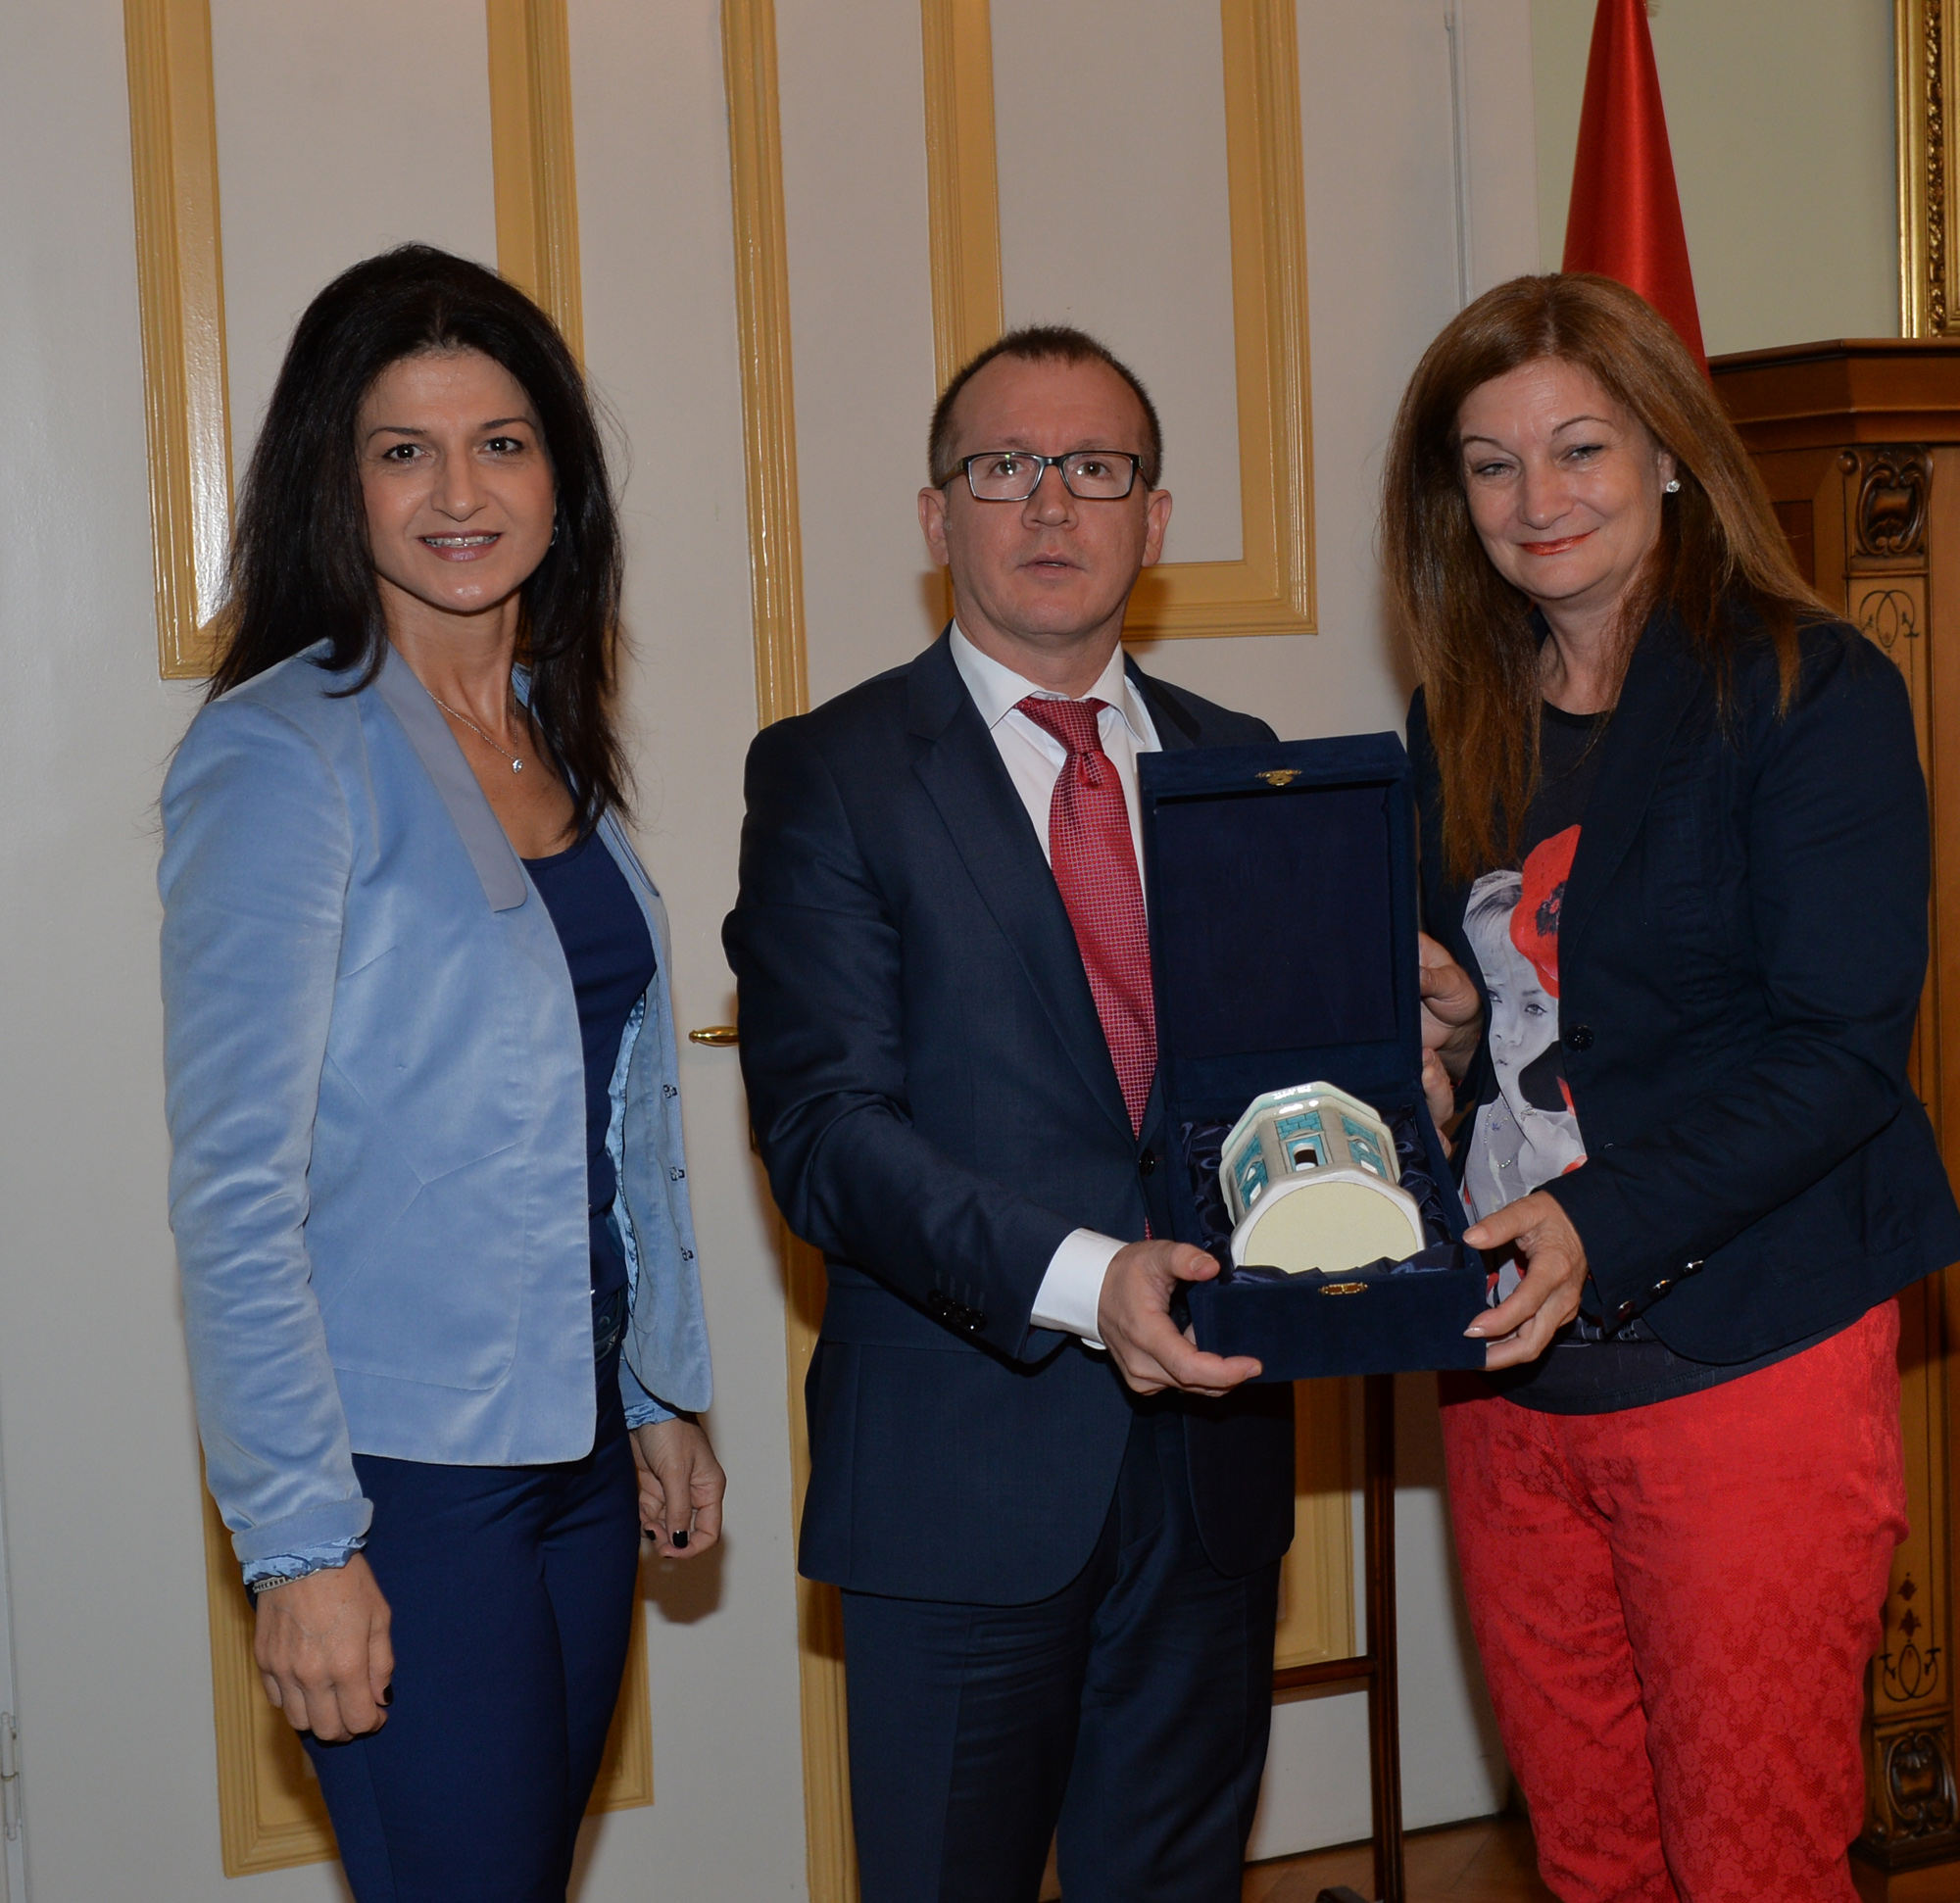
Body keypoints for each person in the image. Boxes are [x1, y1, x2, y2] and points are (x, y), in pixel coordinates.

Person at [1385, 271, 1960, 1903]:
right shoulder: (1456, 715)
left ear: (1670, 455)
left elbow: (1840, 1051)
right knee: (1591, 1862)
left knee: (1751, 1865)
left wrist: (1596, 1219)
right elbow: (1499, 1029)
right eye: (1491, 465)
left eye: (1579, 448)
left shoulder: (1806, 687)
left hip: (1747, 1356)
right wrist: (1436, 1040)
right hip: (1511, 1384)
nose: (1537, 499)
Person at [160, 244, 724, 1901]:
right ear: (333, 483)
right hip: (401, 1482)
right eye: (403, 449)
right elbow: (235, 1192)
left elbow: (602, 1109)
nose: (460, 493)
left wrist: (653, 1389)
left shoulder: (550, 729)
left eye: (502, 443)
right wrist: (300, 1544)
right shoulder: (280, 753)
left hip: (576, 1449)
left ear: (561, 475)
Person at [724, 325, 1304, 1903]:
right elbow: (827, 1134)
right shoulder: (831, 774)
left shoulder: (1245, 768)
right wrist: (1087, 1279)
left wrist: (1419, 1055)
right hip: (957, 1482)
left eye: (1094, 468)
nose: (1051, 503)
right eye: (1004, 467)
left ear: (1154, 519)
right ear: (938, 517)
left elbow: (1292, 1100)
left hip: (1212, 1475)